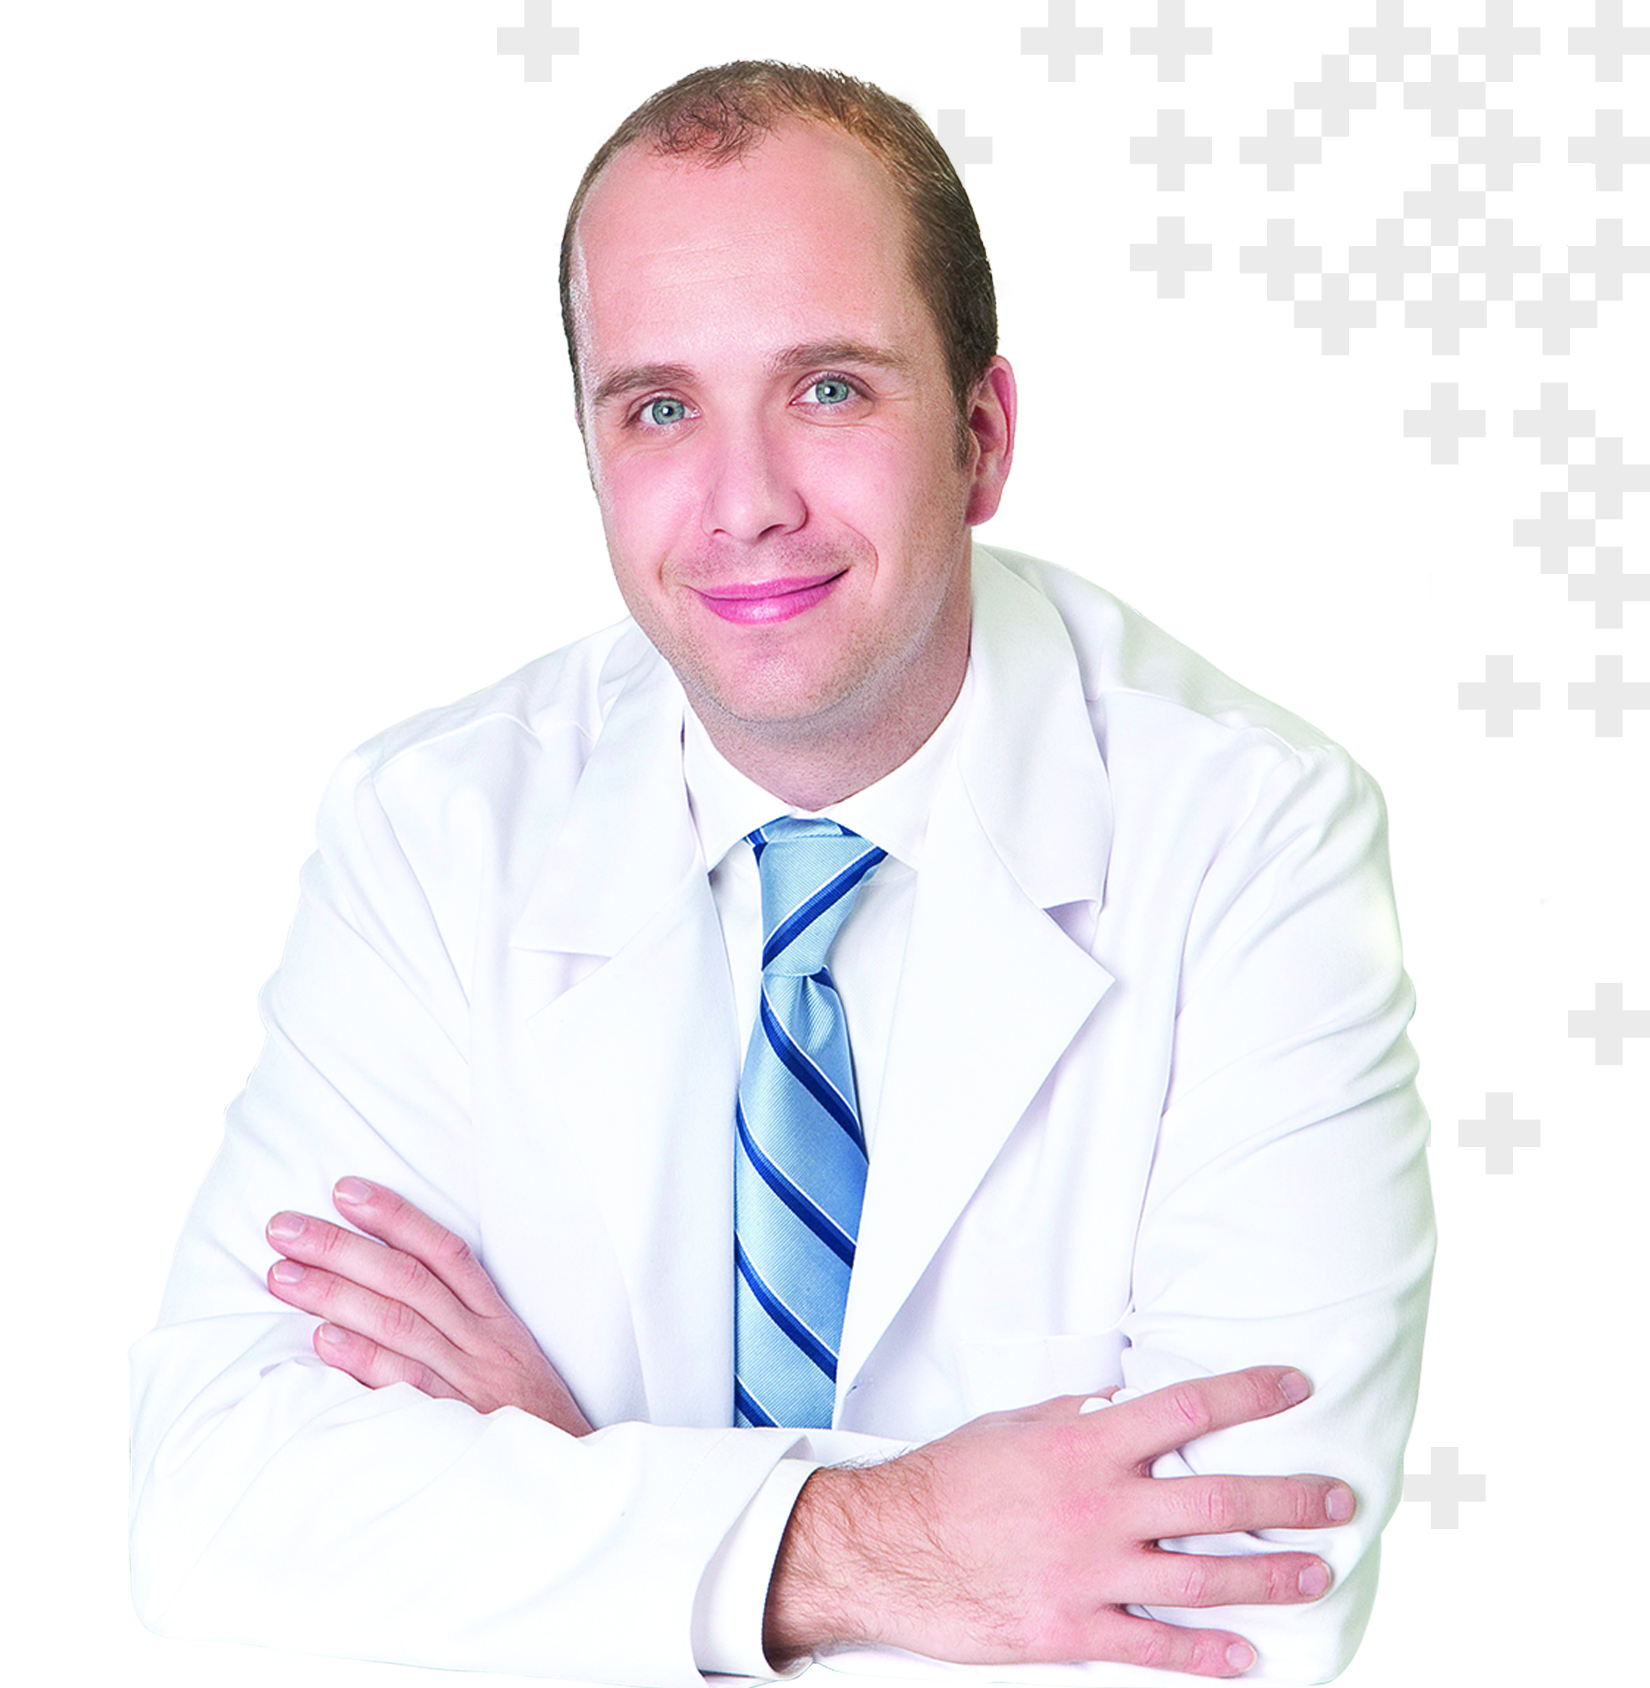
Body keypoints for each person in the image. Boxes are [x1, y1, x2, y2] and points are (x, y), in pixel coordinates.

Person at [128, 60, 1434, 1688]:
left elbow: (1238, 1609)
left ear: (980, 437)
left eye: (828, 389)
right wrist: (869, 1546)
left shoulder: (1253, 839)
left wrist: (577, 1482)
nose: (745, 506)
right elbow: (216, 1505)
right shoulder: (431, 831)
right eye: (659, 409)